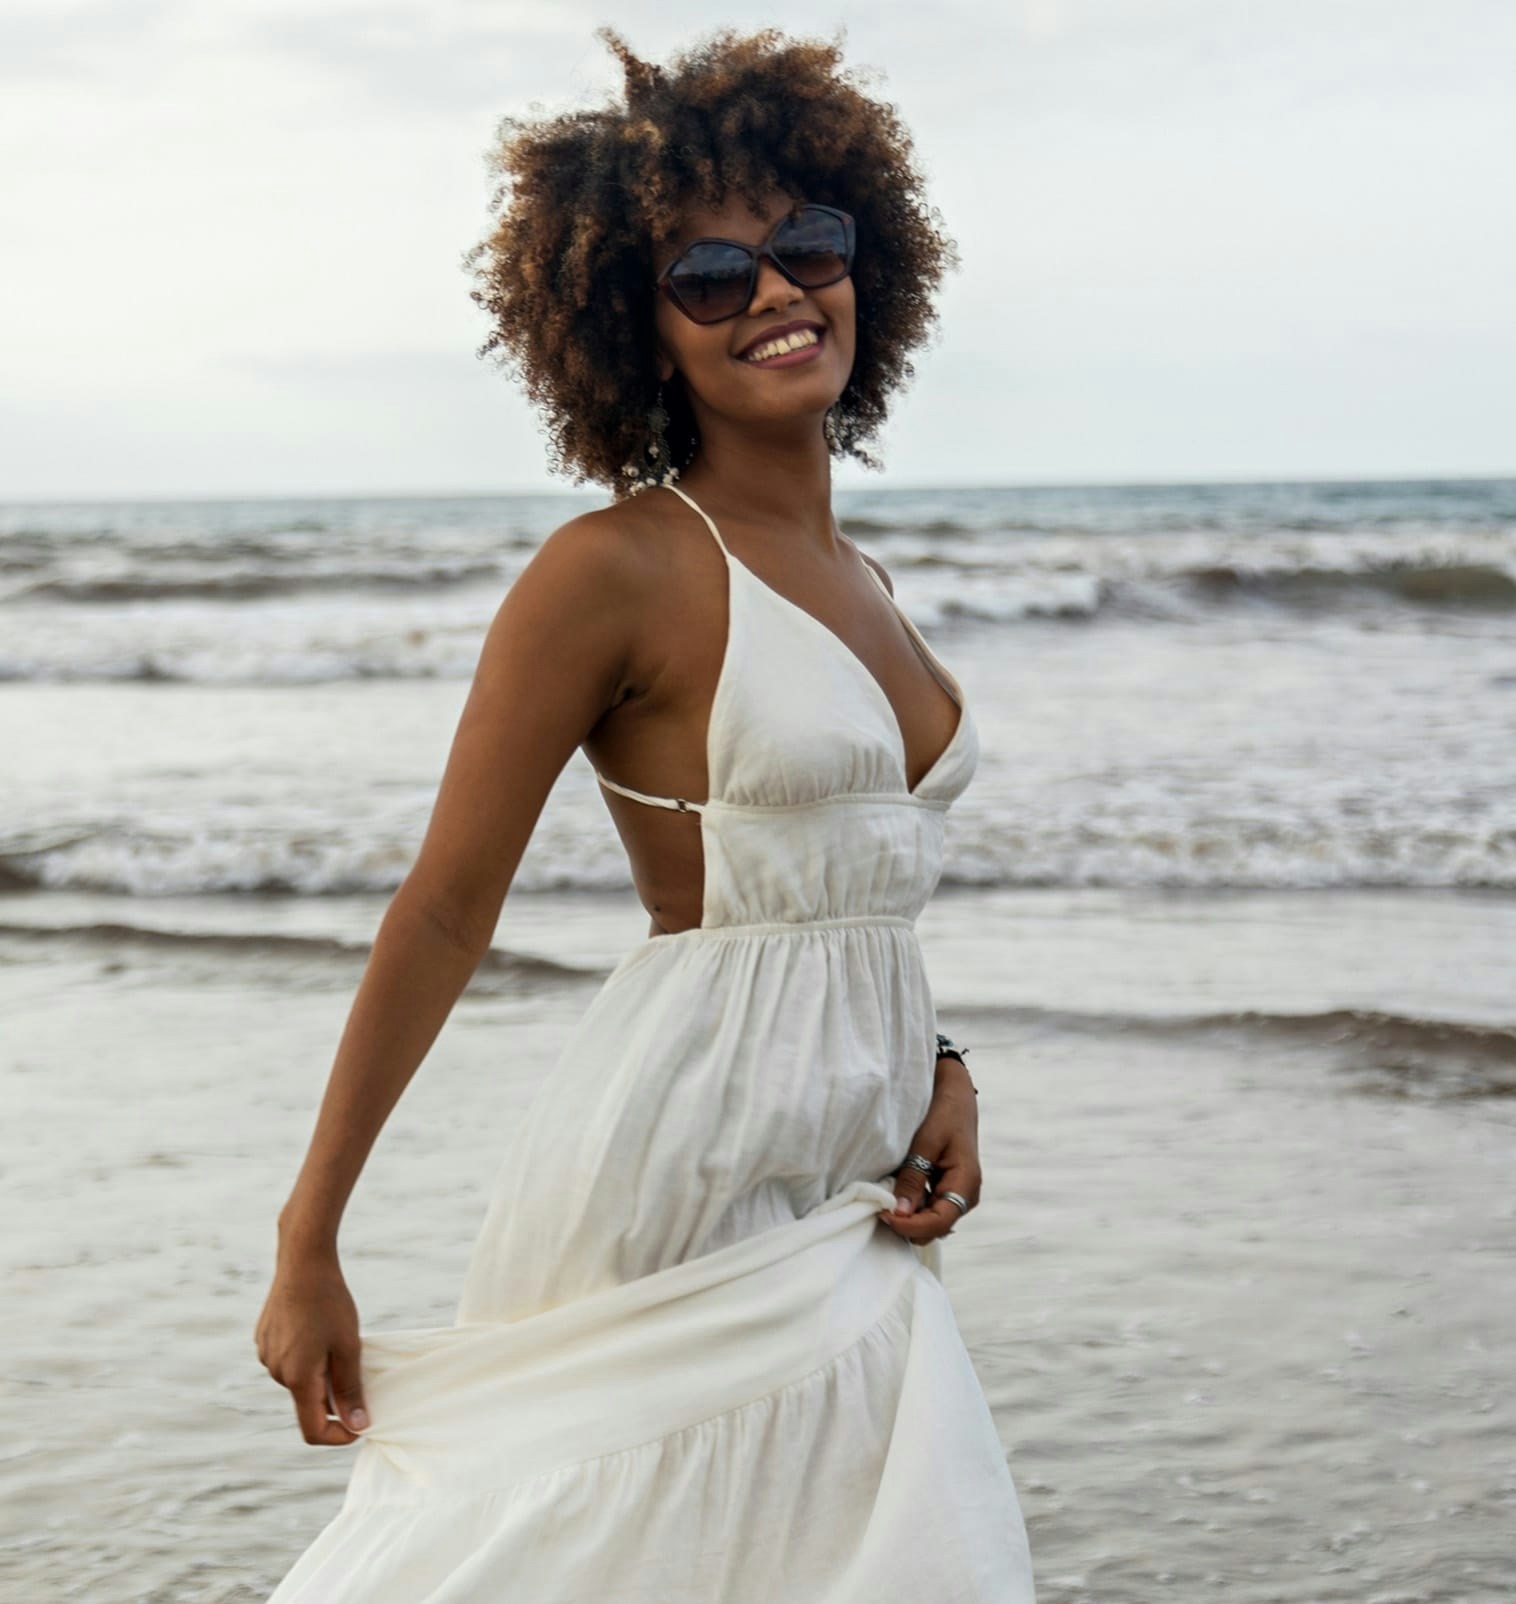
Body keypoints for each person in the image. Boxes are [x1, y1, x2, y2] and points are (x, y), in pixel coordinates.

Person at [255, 23, 1036, 1601]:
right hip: (687, 1162)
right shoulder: (611, 571)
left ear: (862, 265)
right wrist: (309, 1239)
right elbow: (443, 907)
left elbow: (845, 888)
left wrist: (938, 1061)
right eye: (708, 274)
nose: (771, 291)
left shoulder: (865, 580)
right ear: (638, 328)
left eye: (806, 246)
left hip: (848, 1188)